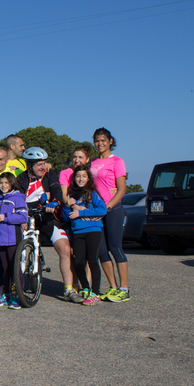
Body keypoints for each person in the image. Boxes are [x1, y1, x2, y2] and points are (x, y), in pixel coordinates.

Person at [16, 147, 78, 304]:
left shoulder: (50, 175)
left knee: (64, 248)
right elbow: (18, 197)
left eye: (44, 163)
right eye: (39, 164)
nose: (43, 167)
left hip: (48, 218)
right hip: (28, 218)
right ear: (30, 165)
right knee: (15, 247)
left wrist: (54, 202)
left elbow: (57, 190)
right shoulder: (21, 179)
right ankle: (16, 284)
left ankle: (69, 289)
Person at [91, 127, 129, 302]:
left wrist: (108, 207)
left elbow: (121, 190)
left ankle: (124, 289)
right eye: (97, 141)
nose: (100, 144)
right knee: (101, 251)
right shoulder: (92, 163)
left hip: (113, 209)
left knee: (115, 248)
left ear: (110, 141)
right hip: (97, 211)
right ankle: (113, 288)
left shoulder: (117, 161)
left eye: (103, 140)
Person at [62, 165, 107, 306]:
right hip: (77, 232)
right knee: (78, 262)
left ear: (88, 178)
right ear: (74, 178)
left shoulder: (92, 193)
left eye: (84, 176)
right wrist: (66, 205)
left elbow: (102, 209)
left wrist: (82, 212)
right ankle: (86, 287)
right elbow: (65, 218)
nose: (80, 179)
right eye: (78, 176)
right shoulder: (70, 194)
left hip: (93, 230)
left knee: (93, 260)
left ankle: (95, 293)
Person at [0, 173, 28, 310]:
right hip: (0, 239)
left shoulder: (17, 198)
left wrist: (5, 217)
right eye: (1, 183)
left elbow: (23, 216)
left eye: (6, 183)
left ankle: (19, 295)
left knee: (14, 268)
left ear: (12, 183)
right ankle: (7, 295)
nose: (3, 185)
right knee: (4, 268)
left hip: (13, 238)